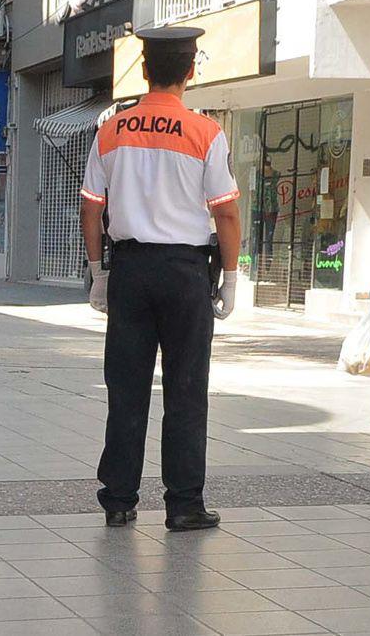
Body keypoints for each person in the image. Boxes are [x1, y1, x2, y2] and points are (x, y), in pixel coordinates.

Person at [79, 26, 241, 533]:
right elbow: (227, 213)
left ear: (144, 71)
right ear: (191, 72)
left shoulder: (112, 129)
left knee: (125, 388)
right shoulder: (206, 132)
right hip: (186, 273)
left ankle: (120, 499)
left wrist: (97, 272)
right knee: (187, 389)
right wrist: (231, 276)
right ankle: (184, 504)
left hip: (129, 271)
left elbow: (90, 208)